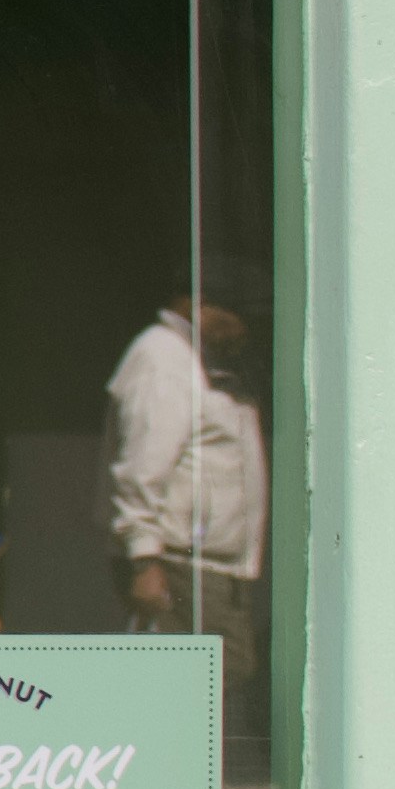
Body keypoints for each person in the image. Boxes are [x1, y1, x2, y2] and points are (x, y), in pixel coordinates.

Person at [106, 291, 266, 720]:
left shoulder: (199, 362)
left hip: (208, 564)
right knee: (191, 683)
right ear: (196, 303)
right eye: (234, 312)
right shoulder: (164, 358)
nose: (243, 327)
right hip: (178, 561)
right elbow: (143, 462)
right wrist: (144, 558)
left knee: (209, 678)